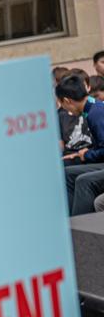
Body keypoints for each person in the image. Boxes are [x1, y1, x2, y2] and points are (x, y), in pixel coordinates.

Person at [58, 74, 104, 215]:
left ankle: (79, 229)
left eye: (62, 105)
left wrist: (87, 155)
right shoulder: (94, 108)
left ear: (67, 101)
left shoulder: (95, 114)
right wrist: (84, 152)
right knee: (67, 171)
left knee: (84, 181)